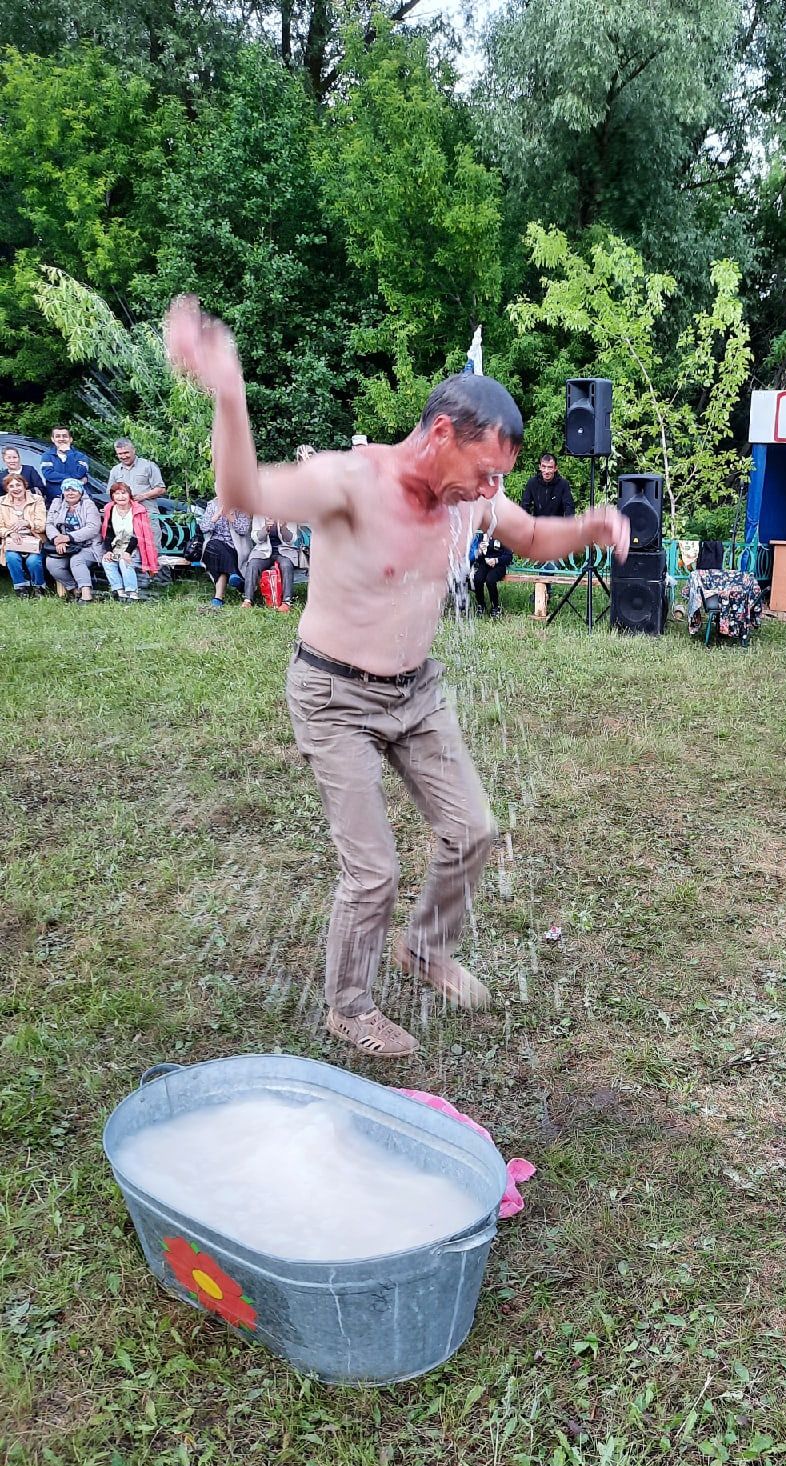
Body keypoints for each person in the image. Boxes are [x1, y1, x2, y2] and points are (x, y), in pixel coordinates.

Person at [165, 295, 630, 1060]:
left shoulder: (469, 502)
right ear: (442, 434)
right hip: (334, 695)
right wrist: (231, 390)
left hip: (415, 693)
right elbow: (242, 493)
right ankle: (349, 1008)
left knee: (472, 831)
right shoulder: (352, 480)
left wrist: (589, 526)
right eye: (484, 474)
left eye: (497, 482)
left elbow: (535, 536)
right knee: (373, 869)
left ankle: (425, 947)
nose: (490, 492)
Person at [44, 479, 102, 600]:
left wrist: (69, 537)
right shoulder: (57, 503)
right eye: (67, 489)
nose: (70, 493)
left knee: (77, 560)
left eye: (74, 490)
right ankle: (74, 589)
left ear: (80, 492)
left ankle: (86, 595)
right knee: (52, 564)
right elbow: (49, 524)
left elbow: (93, 528)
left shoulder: (88, 505)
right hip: (64, 544)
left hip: (87, 545)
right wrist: (57, 538)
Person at [100, 480, 159, 599]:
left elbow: (138, 535)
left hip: (136, 547)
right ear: (112, 496)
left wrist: (127, 552)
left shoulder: (138, 510)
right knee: (107, 561)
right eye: (117, 494)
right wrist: (108, 551)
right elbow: (108, 532)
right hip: (117, 545)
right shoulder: (110, 509)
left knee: (124, 561)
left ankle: (132, 593)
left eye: (124, 493)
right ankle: (119, 591)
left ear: (129, 495)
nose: (121, 497)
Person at [0, 473, 48, 595]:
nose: (16, 489)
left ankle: (39, 587)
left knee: (33, 561)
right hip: (13, 541)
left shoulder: (37, 499)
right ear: (7, 489)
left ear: (24, 485)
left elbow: (42, 525)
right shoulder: (1, 502)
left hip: (34, 539)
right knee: (11, 557)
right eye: (11, 486)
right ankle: (20, 588)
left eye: (18, 485)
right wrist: (10, 533)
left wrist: (28, 523)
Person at [198, 499, 251, 607]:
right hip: (212, 547)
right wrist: (216, 516)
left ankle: (218, 598)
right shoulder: (212, 505)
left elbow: (244, 530)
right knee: (215, 546)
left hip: (235, 547)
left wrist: (230, 516)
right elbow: (203, 528)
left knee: (218, 555)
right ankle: (234, 574)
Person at [107, 438, 167, 515]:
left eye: (126, 452)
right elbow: (110, 493)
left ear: (134, 450)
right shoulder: (115, 470)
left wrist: (143, 496)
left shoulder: (148, 466)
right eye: (120, 454)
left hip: (147, 513)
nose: (124, 456)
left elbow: (161, 489)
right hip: (124, 515)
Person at [470, 522, 513, 617]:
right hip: (485, 564)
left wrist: (496, 560)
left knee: (490, 580)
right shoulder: (482, 536)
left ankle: (495, 607)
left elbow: (509, 557)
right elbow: (479, 558)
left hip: (499, 565)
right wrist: (480, 551)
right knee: (477, 578)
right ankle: (481, 605)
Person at [38, 427, 90, 501]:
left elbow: (79, 473)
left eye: (65, 436)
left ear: (70, 439)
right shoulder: (47, 456)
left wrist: (69, 454)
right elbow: (49, 474)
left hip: (79, 500)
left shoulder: (81, 456)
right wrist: (76, 480)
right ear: (53, 439)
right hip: (55, 499)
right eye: (58, 436)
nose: (61, 439)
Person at [519, 452, 575, 520]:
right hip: (538, 525)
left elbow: (569, 507)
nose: (546, 471)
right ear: (540, 467)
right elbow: (525, 506)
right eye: (544, 467)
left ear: (555, 468)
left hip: (557, 525)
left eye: (550, 467)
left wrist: (568, 525)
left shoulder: (563, 484)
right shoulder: (532, 483)